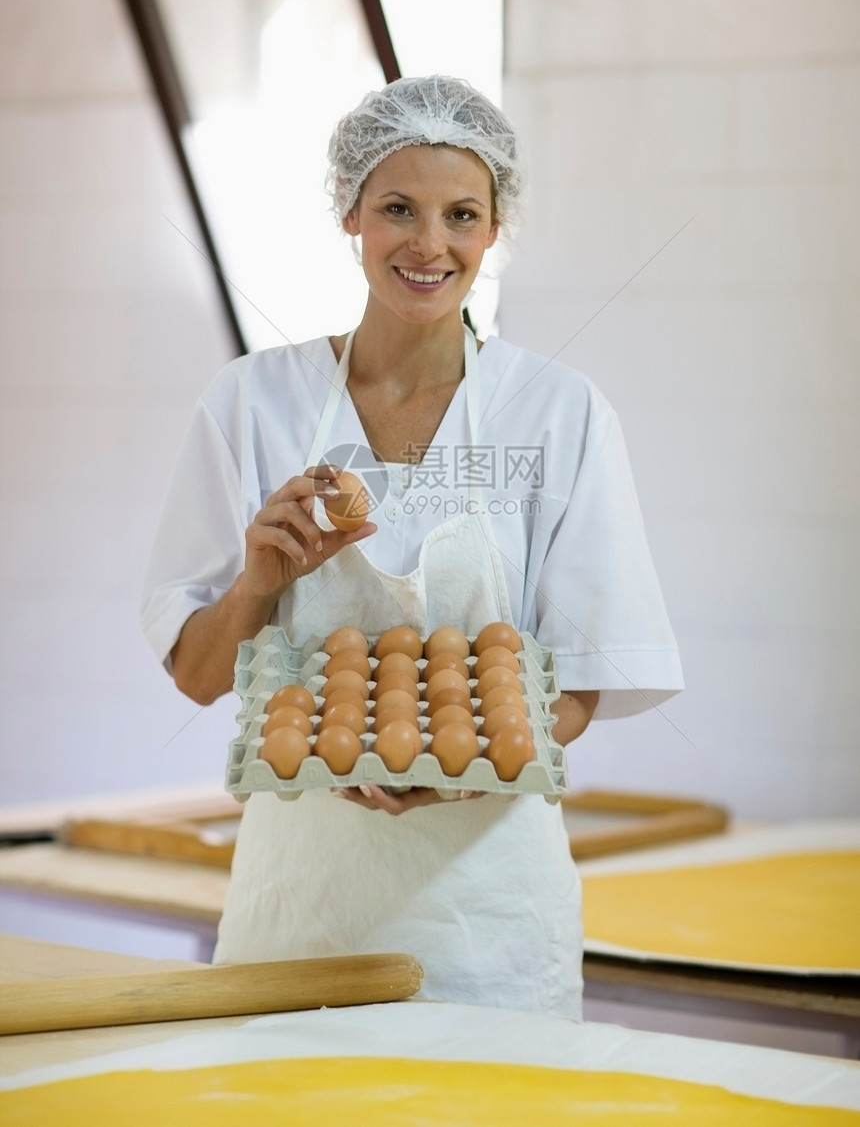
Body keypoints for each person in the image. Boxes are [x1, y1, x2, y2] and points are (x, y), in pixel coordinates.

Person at [141, 74, 683, 1018]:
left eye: (461, 215)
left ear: (494, 229)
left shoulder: (559, 413)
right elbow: (197, 675)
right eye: (398, 208)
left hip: (489, 927)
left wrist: (449, 765)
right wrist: (258, 583)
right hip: (298, 918)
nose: (430, 245)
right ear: (351, 212)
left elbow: (583, 680)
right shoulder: (249, 403)